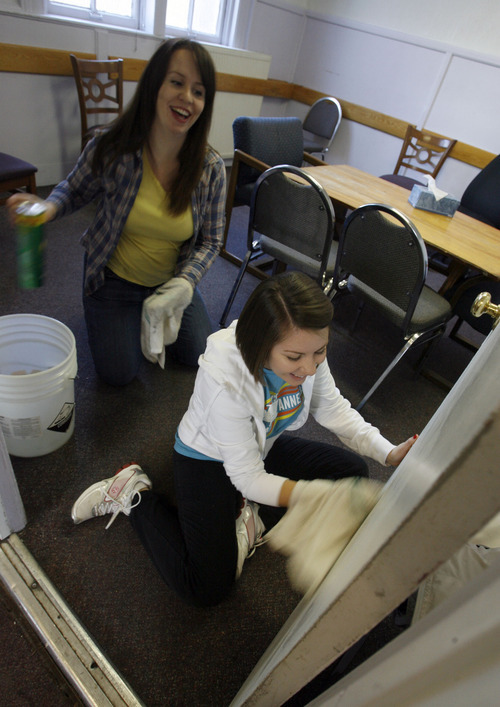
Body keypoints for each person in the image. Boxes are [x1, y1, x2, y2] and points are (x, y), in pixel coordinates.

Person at [71, 272, 417, 606]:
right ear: (260, 344)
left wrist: (389, 453)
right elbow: (248, 477)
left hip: (260, 447)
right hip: (206, 459)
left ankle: (250, 517)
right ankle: (133, 493)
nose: (310, 368)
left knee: (352, 470)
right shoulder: (225, 381)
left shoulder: (304, 346)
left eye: (320, 352)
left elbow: (333, 408)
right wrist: (309, 496)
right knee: (205, 588)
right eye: (295, 357)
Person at [7, 38, 226, 385]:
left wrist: (186, 282)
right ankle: (109, 313)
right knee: (119, 375)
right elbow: (73, 189)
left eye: (199, 91)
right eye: (177, 82)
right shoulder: (114, 147)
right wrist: (47, 207)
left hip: (170, 280)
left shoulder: (210, 167)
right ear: (155, 84)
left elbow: (212, 240)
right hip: (113, 278)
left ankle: (146, 311)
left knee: (198, 351)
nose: (187, 97)